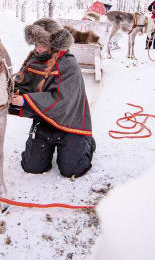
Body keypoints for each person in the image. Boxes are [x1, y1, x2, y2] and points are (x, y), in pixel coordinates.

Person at [9, 18, 95, 178]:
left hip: (71, 123)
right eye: (35, 44)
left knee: (71, 170)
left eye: (43, 45)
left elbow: (63, 100)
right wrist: (13, 94)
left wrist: (26, 101)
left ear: (54, 44)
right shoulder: (34, 60)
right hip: (45, 121)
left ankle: (87, 142)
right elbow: (24, 86)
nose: (38, 49)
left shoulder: (69, 64)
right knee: (31, 166)